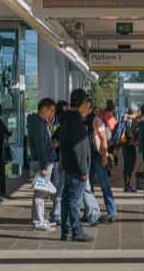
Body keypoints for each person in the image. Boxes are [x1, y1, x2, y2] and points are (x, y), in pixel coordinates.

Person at [57, 89, 94, 242]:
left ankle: (65, 231)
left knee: (66, 200)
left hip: (68, 165)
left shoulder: (64, 119)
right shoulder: (76, 121)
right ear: (83, 104)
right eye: (87, 103)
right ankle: (77, 232)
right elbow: (79, 149)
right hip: (77, 168)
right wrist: (84, 169)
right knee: (73, 201)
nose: (88, 107)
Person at [27, 98, 57, 231]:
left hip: (43, 161)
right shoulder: (38, 124)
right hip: (42, 163)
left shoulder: (39, 122)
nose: (52, 114)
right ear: (44, 108)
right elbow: (40, 146)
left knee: (42, 193)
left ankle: (40, 219)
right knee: (40, 193)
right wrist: (44, 166)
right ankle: (38, 221)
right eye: (51, 110)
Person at [87, 108, 117, 223]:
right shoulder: (84, 120)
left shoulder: (96, 121)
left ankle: (111, 211)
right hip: (90, 156)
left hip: (97, 155)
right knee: (89, 186)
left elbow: (103, 139)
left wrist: (104, 156)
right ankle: (91, 212)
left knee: (103, 184)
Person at [48, 100, 68, 225]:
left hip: (57, 158)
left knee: (58, 187)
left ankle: (56, 213)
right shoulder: (64, 124)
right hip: (61, 159)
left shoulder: (55, 122)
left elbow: (53, 141)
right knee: (60, 187)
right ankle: (57, 214)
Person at [121, 105, 140, 192]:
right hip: (129, 145)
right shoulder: (132, 120)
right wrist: (135, 140)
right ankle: (127, 186)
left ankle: (127, 185)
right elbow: (129, 133)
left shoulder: (125, 118)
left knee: (128, 166)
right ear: (135, 112)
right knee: (129, 166)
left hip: (126, 145)